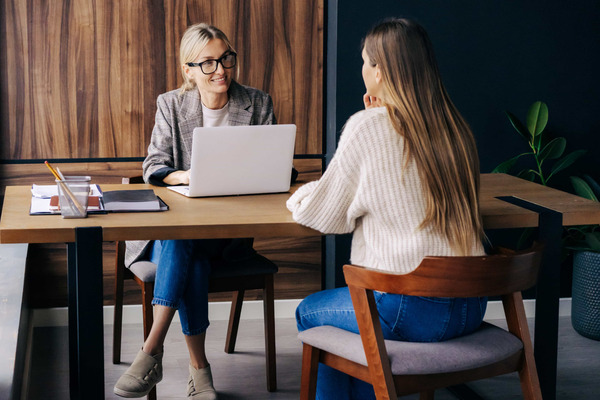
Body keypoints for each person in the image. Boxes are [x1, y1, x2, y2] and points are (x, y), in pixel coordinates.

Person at [287, 18, 487, 399]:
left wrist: (299, 194)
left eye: (365, 61)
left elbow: (322, 215)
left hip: (411, 311)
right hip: (472, 306)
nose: (362, 69)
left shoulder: (369, 127)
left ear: (380, 70)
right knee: (364, 328)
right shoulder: (455, 128)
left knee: (309, 314)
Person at [114, 23, 275, 399]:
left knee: (188, 247)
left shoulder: (257, 102)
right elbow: (152, 164)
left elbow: (271, 163)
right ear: (188, 70)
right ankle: (199, 370)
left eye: (226, 59)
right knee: (187, 246)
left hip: (228, 234)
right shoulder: (171, 103)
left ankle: (151, 351)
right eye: (208, 63)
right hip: (173, 235)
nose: (220, 70)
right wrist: (186, 175)